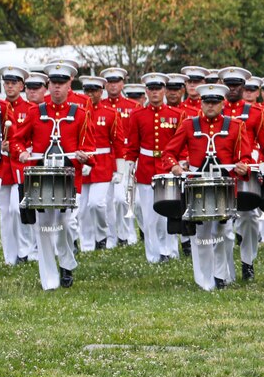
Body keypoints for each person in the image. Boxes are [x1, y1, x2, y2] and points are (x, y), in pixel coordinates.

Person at [10, 63, 94, 290]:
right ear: (48, 85)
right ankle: (50, 279)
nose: (57, 88)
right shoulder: (35, 113)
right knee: (43, 227)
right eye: (54, 84)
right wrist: (23, 152)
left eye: (62, 83)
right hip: (40, 179)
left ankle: (66, 263)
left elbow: (89, 148)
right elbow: (16, 140)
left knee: (66, 224)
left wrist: (84, 156)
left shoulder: (80, 114)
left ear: (69, 85)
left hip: (68, 181)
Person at [164, 82, 254, 290]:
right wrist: (175, 166)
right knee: (201, 234)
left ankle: (221, 276)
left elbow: (246, 157)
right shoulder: (189, 125)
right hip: (197, 186)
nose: (210, 106)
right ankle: (204, 279)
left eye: (214, 102)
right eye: (207, 102)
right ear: (201, 103)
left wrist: (244, 167)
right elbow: (169, 153)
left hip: (224, 185)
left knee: (223, 232)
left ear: (222, 103)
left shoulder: (236, 126)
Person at [219, 66, 264, 281]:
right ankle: (226, 268)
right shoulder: (216, 110)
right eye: (229, 85)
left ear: (244, 87)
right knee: (224, 221)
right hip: (224, 171)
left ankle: (247, 261)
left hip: (248, 172)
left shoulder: (256, 113)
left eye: (237, 85)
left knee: (250, 219)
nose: (233, 89)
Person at [125, 73, 186, 263]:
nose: (155, 93)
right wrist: (129, 166)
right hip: (146, 169)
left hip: (169, 169)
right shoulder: (137, 115)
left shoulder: (177, 115)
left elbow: (182, 144)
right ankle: (153, 254)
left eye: (158, 89)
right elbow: (133, 145)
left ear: (164, 91)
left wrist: (181, 163)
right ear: (146, 91)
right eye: (151, 89)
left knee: (169, 213)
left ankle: (170, 251)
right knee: (150, 216)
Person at [77, 75, 126, 251]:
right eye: (87, 91)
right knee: (82, 208)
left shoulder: (110, 113)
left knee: (98, 203)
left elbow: (119, 143)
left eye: (94, 91)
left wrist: (120, 170)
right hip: (82, 162)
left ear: (100, 91)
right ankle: (87, 242)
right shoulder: (78, 113)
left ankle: (105, 236)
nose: (90, 94)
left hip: (103, 163)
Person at [0, 66, 36, 265]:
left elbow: (34, 138)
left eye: (14, 83)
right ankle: (10, 256)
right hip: (3, 166)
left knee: (18, 208)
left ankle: (24, 250)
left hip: (20, 164)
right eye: (7, 83)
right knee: (6, 213)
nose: (10, 87)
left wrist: (18, 147)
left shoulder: (30, 109)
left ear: (21, 85)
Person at [100, 67, 141, 248]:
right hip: (107, 157)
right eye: (109, 82)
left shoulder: (133, 106)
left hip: (126, 157)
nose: (113, 85)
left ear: (122, 83)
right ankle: (112, 235)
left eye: (116, 81)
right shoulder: (101, 106)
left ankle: (128, 234)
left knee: (124, 198)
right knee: (108, 200)